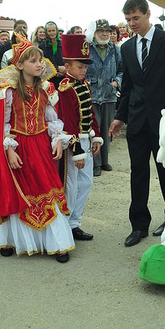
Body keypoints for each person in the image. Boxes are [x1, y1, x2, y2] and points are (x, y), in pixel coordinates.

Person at [0, 36, 74, 262]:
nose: (39, 64)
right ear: (20, 65)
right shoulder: (7, 92)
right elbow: (2, 125)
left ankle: (57, 243)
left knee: (47, 187)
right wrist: (9, 149)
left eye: (40, 60)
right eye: (33, 61)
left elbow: (52, 118)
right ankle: (11, 240)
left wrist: (57, 139)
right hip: (20, 147)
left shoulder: (46, 89)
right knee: (19, 192)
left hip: (41, 147)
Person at [109, 0, 165, 246]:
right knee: (138, 173)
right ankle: (139, 226)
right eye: (128, 20)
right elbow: (127, 87)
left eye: (135, 18)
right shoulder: (127, 48)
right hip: (137, 122)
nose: (132, 24)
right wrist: (120, 117)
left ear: (148, 14)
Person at [58, 30, 103, 241]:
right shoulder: (65, 89)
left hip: (86, 140)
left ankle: (75, 222)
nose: (84, 70)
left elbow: (90, 112)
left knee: (86, 183)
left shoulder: (83, 83)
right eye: (79, 66)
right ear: (67, 67)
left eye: (85, 66)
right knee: (71, 185)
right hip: (73, 145)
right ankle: (65, 224)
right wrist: (77, 151)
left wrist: (96, 137)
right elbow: (68, 122)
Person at [86, 19, 123, 176]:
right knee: (94, 131)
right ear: (95, 33)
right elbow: (80, 67)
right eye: (101, 31)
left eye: (107, 31)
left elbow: (122, 70)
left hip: (109, 95)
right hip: (92, 95)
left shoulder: (115, 49)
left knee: (107, 130)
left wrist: (118, 81)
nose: (105, 34)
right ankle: (95, 163)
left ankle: (105, 160)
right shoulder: (87, 48)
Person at [39, 21, 66, 88]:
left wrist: (65, 69)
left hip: (64, 77)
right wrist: (56, 69)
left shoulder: (63, 44)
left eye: (53, 30)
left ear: (56, 31)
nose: (52, 33)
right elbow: (43, 63)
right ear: (46, 32)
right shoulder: (42, 46)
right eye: (49, 31)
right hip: (50, 79)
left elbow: (68, 59)